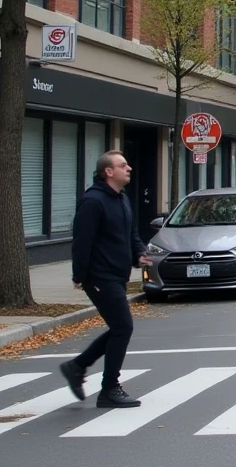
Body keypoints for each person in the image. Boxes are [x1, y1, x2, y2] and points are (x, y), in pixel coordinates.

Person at [60, 151, 152, 408]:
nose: (129, 168)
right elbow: (82, 241)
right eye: (123, 165)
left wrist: (139, 255)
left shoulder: (121, 199)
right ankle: (109, 388)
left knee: (119, 328)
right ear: (108, 172)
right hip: (99, 276)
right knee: (123, 327)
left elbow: (130, 234)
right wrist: (79, 275)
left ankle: (77, 367)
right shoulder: (93, 201)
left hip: (116, 273)